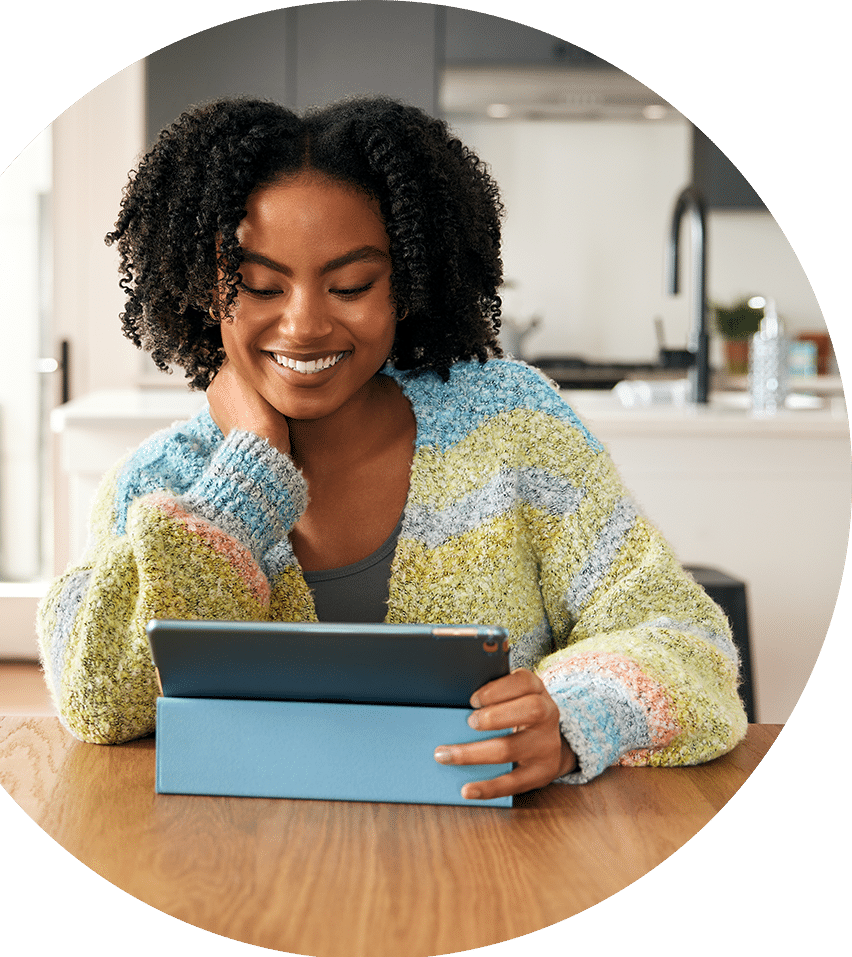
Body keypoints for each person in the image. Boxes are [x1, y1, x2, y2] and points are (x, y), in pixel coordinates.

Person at [37, 96, 747, 801]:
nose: (305, 323)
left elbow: (683, 637)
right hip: (248, 870)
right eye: (258, 285)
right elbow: (96, 698)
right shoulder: (163, 482)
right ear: (203, 285)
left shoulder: (510, 426)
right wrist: (245, 479)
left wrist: (571, 716)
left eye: (350, 285)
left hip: (497, 866)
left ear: (406, 282)